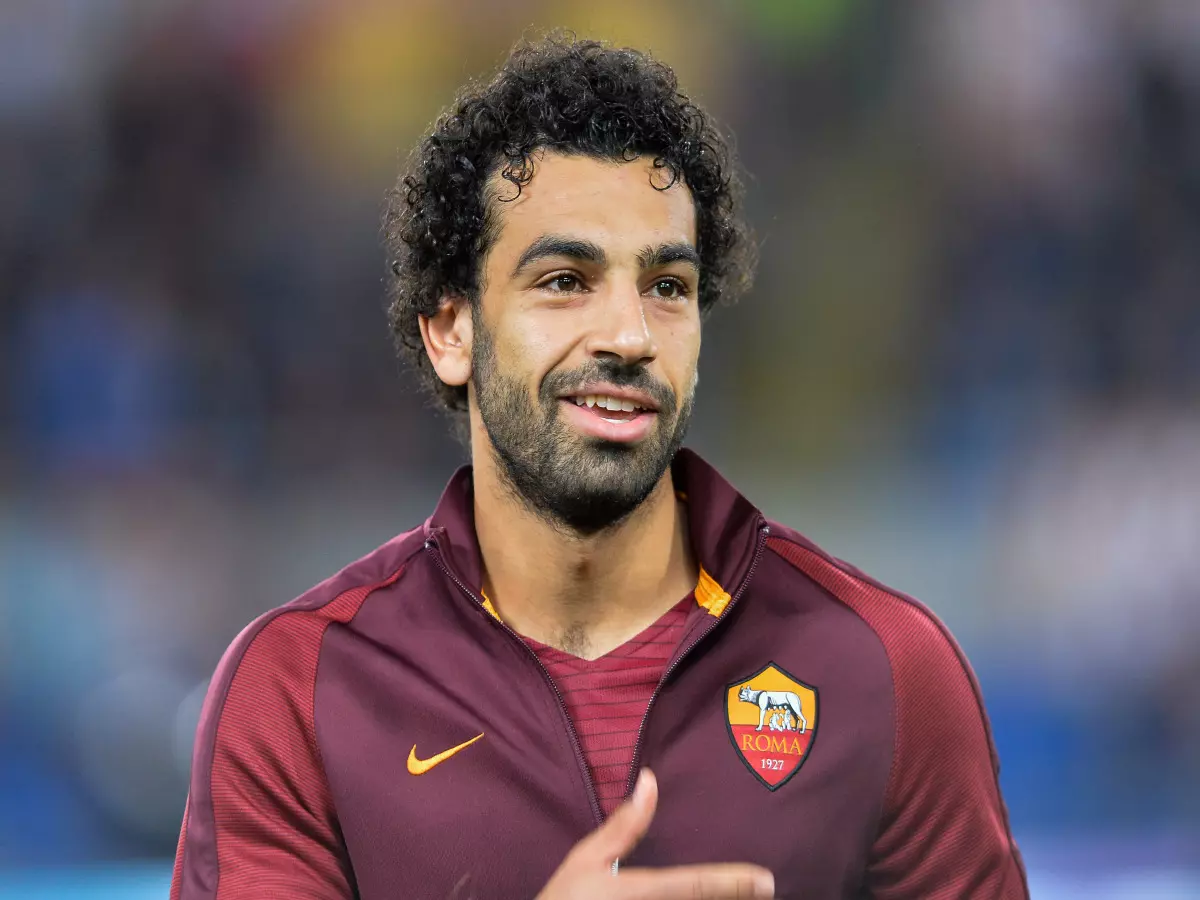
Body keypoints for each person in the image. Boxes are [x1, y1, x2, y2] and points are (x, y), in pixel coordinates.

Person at [170, 35, 1028, 900]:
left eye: (667, 287)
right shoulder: (297, 690)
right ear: (451, 330)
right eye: (564, 280)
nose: (629, 335)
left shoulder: (884, 667)